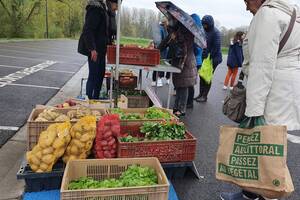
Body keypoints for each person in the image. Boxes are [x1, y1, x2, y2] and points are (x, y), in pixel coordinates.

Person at [220, 0, 300, 199]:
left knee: (265, 144)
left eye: (246, 0)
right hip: (287, 89)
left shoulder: (268, 15)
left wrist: (253, 111)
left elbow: (261, 66)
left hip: (271, 90)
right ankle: (253, 193)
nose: (246, 6)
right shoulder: (294, 13)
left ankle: (264, 194)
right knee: (271, 144)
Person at [78, 0, 119, 100]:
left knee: (100, 74)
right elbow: (88, 30)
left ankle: (95, 98)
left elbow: (105, 30)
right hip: (95, 49)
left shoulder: (103, 8)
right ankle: (89, 99)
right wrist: (92, 49)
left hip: (101, 49)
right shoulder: (95, 8)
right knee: (94, 75)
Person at [159, 17, 197, 117]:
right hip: (177, 61)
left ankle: (182, 109)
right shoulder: (174, 31)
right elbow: (165, 43)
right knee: (178, 85)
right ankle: (176, 106)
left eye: (171, 21)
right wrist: (156, 49)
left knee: (183, 86)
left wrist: (176, 38)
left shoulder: (187, 32)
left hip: (186, 62)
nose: (169, 22)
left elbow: (183, 49)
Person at [195, 15, 222, 102]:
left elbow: (216, 48)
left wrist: (208, 57)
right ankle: (200, 94)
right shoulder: (204, 30)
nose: (204, 26)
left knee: (207, 77)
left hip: (213, 58)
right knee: (201, 76)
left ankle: (204, 96)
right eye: (203, 24)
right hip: (205, 57)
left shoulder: (216, 33)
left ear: (210, 24)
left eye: (206, 24)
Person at [187, 13, 203, 109]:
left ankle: (190, 102)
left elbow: (198, 50)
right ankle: (188, 100)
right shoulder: (196, 31)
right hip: (195, 60)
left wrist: (192, 45)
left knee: (190, 82)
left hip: (196, 61)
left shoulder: (198, 33)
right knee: (189, 82)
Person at [152, 18, 171, 87]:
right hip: (161, 50)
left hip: (164, 50)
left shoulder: (165, 29)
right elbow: (159, 41)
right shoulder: (161, 29)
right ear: (165, 23)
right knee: (159, 64)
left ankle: (156, 79)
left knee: (160, 64)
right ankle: (157, 79)